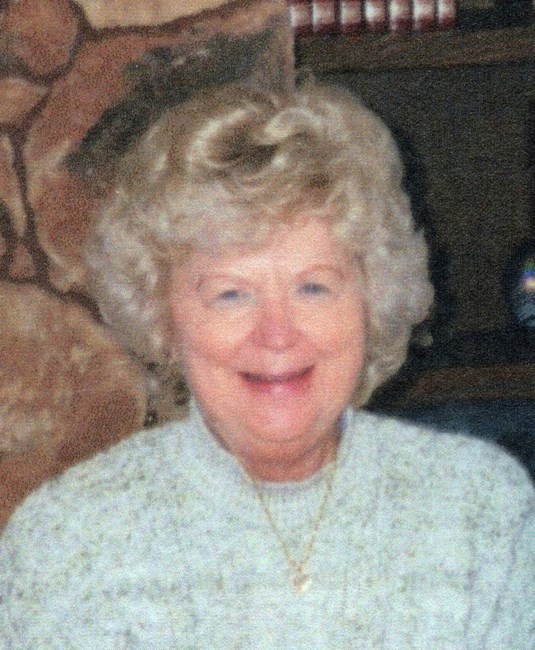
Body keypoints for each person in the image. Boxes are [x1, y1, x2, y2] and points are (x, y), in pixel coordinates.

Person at [1, 82, 534, 649]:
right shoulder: (67, 544)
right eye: (231, 294)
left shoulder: (480, 510)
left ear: (372, 300)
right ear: (163, 317)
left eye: (313, 287)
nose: (277, 335)